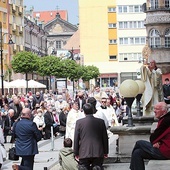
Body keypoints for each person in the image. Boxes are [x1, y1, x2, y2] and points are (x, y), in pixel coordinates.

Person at [130, 102, 170, 170]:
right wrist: (159, 142)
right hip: (164, 148)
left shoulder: (166, 121)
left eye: (157, 109)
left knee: (139, 143)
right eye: (154, 108)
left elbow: (153, 138)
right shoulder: (166, 119)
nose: (154, 111)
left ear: (164, 111)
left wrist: (156, 142)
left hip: (165, 152)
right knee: (137, 153)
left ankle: (131, 167)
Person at [74, 103, 109, 170]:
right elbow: (105, 138)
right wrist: (105, 151)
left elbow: (76, 139)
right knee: (97, 167)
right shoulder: (100, 122)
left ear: (84, 112)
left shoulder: (79, 122)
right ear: (93, 110)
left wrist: (76, 152)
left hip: (84, 151)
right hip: (98, 151)